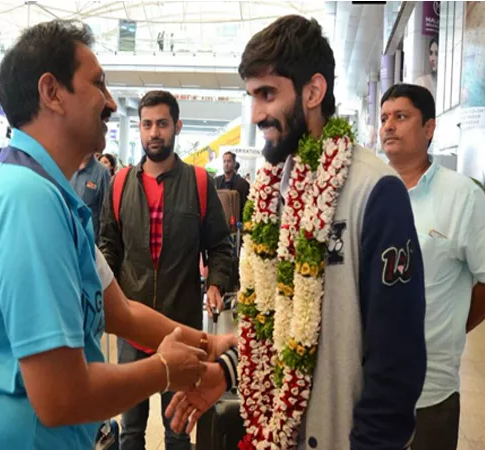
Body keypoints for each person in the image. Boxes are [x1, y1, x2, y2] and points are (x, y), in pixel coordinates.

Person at [0, 21, 235, 450]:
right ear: (52, 92)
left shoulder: (54, 195)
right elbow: (61, 397)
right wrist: (164, 370)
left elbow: (121, 312)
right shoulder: (27, 201)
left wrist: (210, 343)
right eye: (98, 84)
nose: (110, 102)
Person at [166, 15, 427, 450]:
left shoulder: (375, 192)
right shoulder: (273, 189)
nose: (256, 113)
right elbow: (277, 324)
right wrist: (231, 370)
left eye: (267, 94)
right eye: (251, 96)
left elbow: (397, 363)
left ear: (313, 91)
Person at [99, 90, 233, 450]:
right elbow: (109, 246)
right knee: (130, 428)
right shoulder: (121, 183)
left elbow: (220, 245)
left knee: (178, 425)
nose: (153, 132)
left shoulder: (200, 183)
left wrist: (216, 283)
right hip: (130, 322)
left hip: (182, 323)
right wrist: (103, 298)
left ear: (177, 127)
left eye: (162, 123)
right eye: (146, 124)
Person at [380, 83, 485, 450]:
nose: (388, 126)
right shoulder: (370, 193)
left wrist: (453, 326)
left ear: (429, 128)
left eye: (401, 116)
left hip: (430, 394)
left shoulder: (463, 197)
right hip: (369, 390)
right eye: (384, 118)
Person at [70, 151, 109, 241]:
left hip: (89, 242)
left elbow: (106, 214)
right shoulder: (66, 167)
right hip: (67, 239)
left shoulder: (102, 172)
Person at [214, 151, 250, 218]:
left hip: (236, 220)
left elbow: (245, 207)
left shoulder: (243, 184)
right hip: (219, 219)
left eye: (229, 161)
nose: (226, 164)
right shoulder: (216, 181)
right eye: (224, 161)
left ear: (234, 164)